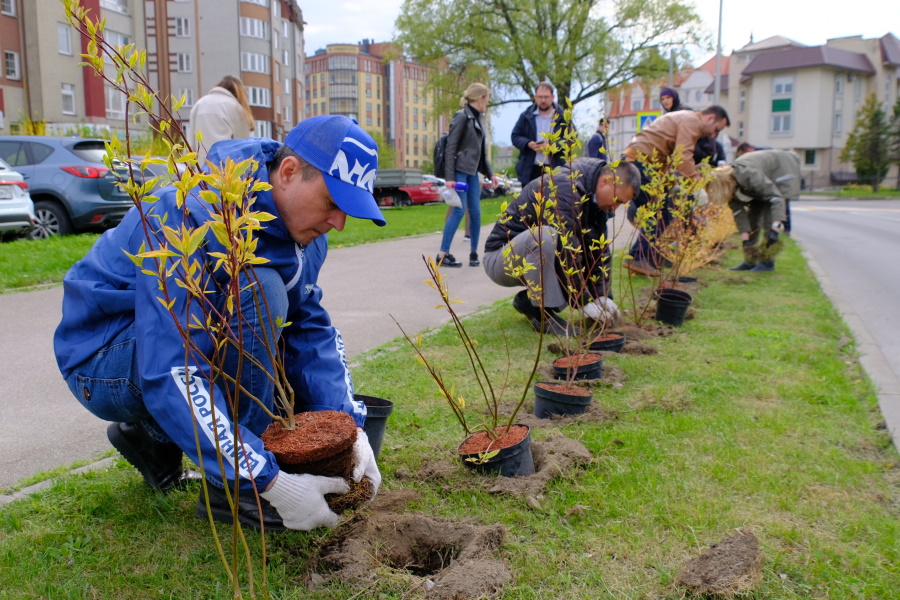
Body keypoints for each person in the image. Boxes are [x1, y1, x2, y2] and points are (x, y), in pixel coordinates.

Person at [54, 115, 385, 531]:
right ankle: (235, 496)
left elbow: (309, 325)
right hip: (103, 355)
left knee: (272, 310)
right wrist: (265, 479)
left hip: (164, 347)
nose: (338, 223)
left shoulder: (306, 234)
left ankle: (155, 437)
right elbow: (172, 365)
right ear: (288, 173)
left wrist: (350, 429)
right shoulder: (193, 215)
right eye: (333, 203)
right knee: (260, 291)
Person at [483, 159, 641, 333]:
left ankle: (528, 302)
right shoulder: (564, 188)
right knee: (545, 237)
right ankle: (542, 315)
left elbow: (598, 250)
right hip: (501, 259)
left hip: (527, 259)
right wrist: (584, 301)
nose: (614, 208)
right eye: (617, 200)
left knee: (567, 243)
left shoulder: (594, 201)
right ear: (606, 181)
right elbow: (566, 249)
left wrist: (602, 295)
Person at [621, 105, 731, 277]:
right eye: (715, 129)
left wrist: (671, 183)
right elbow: (682, 156)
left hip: (644, 162)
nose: (712, 135)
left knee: (662, 211)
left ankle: (646, 258)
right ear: (710, 118)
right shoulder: (692, 121)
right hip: (641, 162)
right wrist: (696, 183)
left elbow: (670, 157)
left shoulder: (685, 118)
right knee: (659, 212)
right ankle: (639, 257)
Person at [706, 149, 800, 272]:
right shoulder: (727, 186)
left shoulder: (748, 175)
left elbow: (776, 198)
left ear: (724, 186)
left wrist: (775, 228)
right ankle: (749, 261)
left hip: (781, 170)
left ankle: (767, 263)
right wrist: (746, 240)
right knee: (752, 220)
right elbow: (738, 212)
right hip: (761, 181)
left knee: (768, 221)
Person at [437, 83, 499, 268]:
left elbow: (481, 154)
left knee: (476, 212)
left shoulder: (478, 118)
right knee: (458, 209)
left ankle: (474, 253)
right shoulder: (462, 116)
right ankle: (442, 254)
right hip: (459, 172)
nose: (487, 102)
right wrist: (449, 177)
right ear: (480, 98)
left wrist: (491, 174)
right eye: (487, 98)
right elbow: (451, 147)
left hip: (473, 172)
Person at [511, 81, 572, 187]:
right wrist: (528, 143)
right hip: (530, 169)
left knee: (555, 202)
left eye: (546, 97)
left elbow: (571, 138)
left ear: (553, 97)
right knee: (530, 202)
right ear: (535, 97)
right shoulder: (526, 116)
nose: (543, 100)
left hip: (555, 168)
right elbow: (515, 136)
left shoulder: (562, 116)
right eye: (540, 97)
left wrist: (552, 146)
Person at [188, 75, 255, 165]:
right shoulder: (235, 107)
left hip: (200, 172)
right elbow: (245, 146)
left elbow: (190, 145)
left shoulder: (199, 104)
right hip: (225, 173)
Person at [734, 142, 791, 232]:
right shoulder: (758, 154)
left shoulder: (763, 153)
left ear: (747, 150)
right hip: (765, 183)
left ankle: (784, 228)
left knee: (780, 205)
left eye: (743, 154)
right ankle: (774, 229)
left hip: (775, 181)